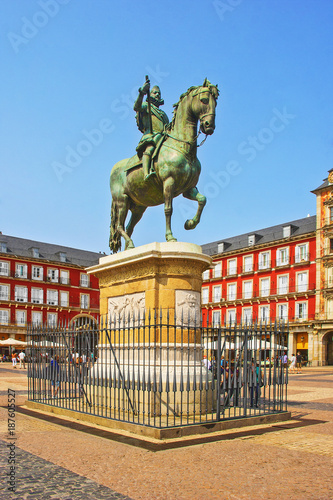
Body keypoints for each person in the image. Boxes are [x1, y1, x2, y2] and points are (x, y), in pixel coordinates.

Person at [134, 77, 169, 180]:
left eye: (159, 93)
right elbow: (136, 107)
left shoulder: (163, 114)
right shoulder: (146, 106)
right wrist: (142, 92)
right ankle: (146, 173)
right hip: (151, 136)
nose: (157, 95)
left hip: (163, 138)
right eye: (154, 93)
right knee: (149, 149)